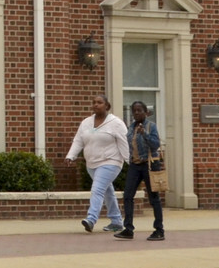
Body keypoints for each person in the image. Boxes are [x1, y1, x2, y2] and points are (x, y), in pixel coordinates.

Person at [66, 95, 129, 234]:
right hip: (92, 163)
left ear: (107, 106)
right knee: (107, 192)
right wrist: (71, 155)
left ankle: (91, 219)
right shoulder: (86, 123)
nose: (96, 105)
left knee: (97, 189)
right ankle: (116, 221)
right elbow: (78, 141)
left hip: (111, 161)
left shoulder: (116, 123)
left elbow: (124, 142)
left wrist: (129, 161)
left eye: (99, 103)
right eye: (94, 103)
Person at [118, 100, 165, 241]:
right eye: (134, 111)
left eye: (140, 110)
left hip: (149, 164)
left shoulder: (151, 126)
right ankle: (128, 229)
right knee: (127, 195)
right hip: (135, 165)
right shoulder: (131, 128)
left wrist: (145, 134)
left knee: (154, 198)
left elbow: (155, 144)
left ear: (146, 112)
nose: (137, 113)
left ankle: (159, 230)